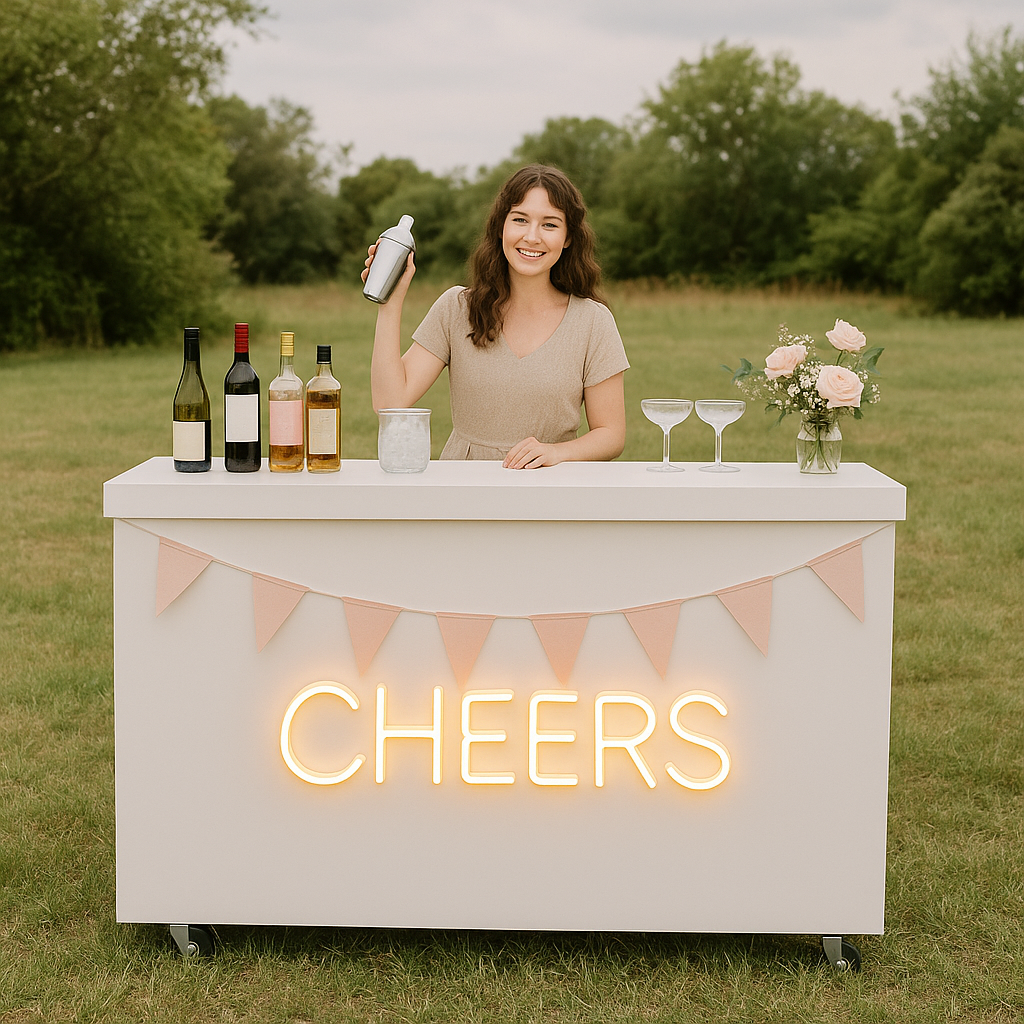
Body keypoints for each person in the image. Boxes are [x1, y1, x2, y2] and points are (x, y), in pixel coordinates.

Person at [364, 164, 629, 469]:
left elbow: (611, 434)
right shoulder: (457, 308)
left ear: (568, 237)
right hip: (465, 487)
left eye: (550, 224)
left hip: (548, 488)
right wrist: (389, 301)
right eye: (520, 219)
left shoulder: (593, 321)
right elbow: (389, 403)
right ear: (501, 226)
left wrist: (557, 452)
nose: (532, 236)